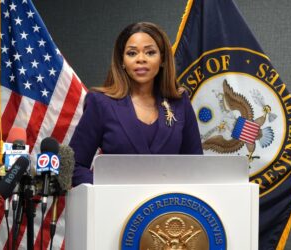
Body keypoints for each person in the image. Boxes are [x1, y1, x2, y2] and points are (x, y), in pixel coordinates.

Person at [70, 22, 203, 187]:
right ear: (122, 61)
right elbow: (74, 167)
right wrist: (109, 187)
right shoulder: (100, 103)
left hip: (169, 208)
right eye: (132, 53)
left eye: (150, 52)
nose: (141, 59)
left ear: (162, 59)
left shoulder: (179, 101)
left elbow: (196, 166)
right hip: (116, 207)